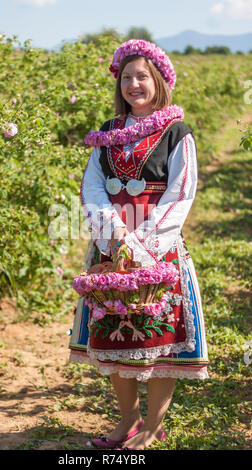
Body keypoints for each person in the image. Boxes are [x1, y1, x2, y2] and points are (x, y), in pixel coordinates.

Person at [69, 39, 209, 450]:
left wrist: (143, 243)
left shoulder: (178, 134)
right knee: (114, 331)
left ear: (160, 81)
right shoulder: (108, 135)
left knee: (158, 337)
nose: (134, 84)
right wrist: (114, 233)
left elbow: (181, 192)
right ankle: (127, 419)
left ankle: (153, 424)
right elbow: (92, 186)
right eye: (127, 77)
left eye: (142, 76)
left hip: (157, 247)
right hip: (111, 247)